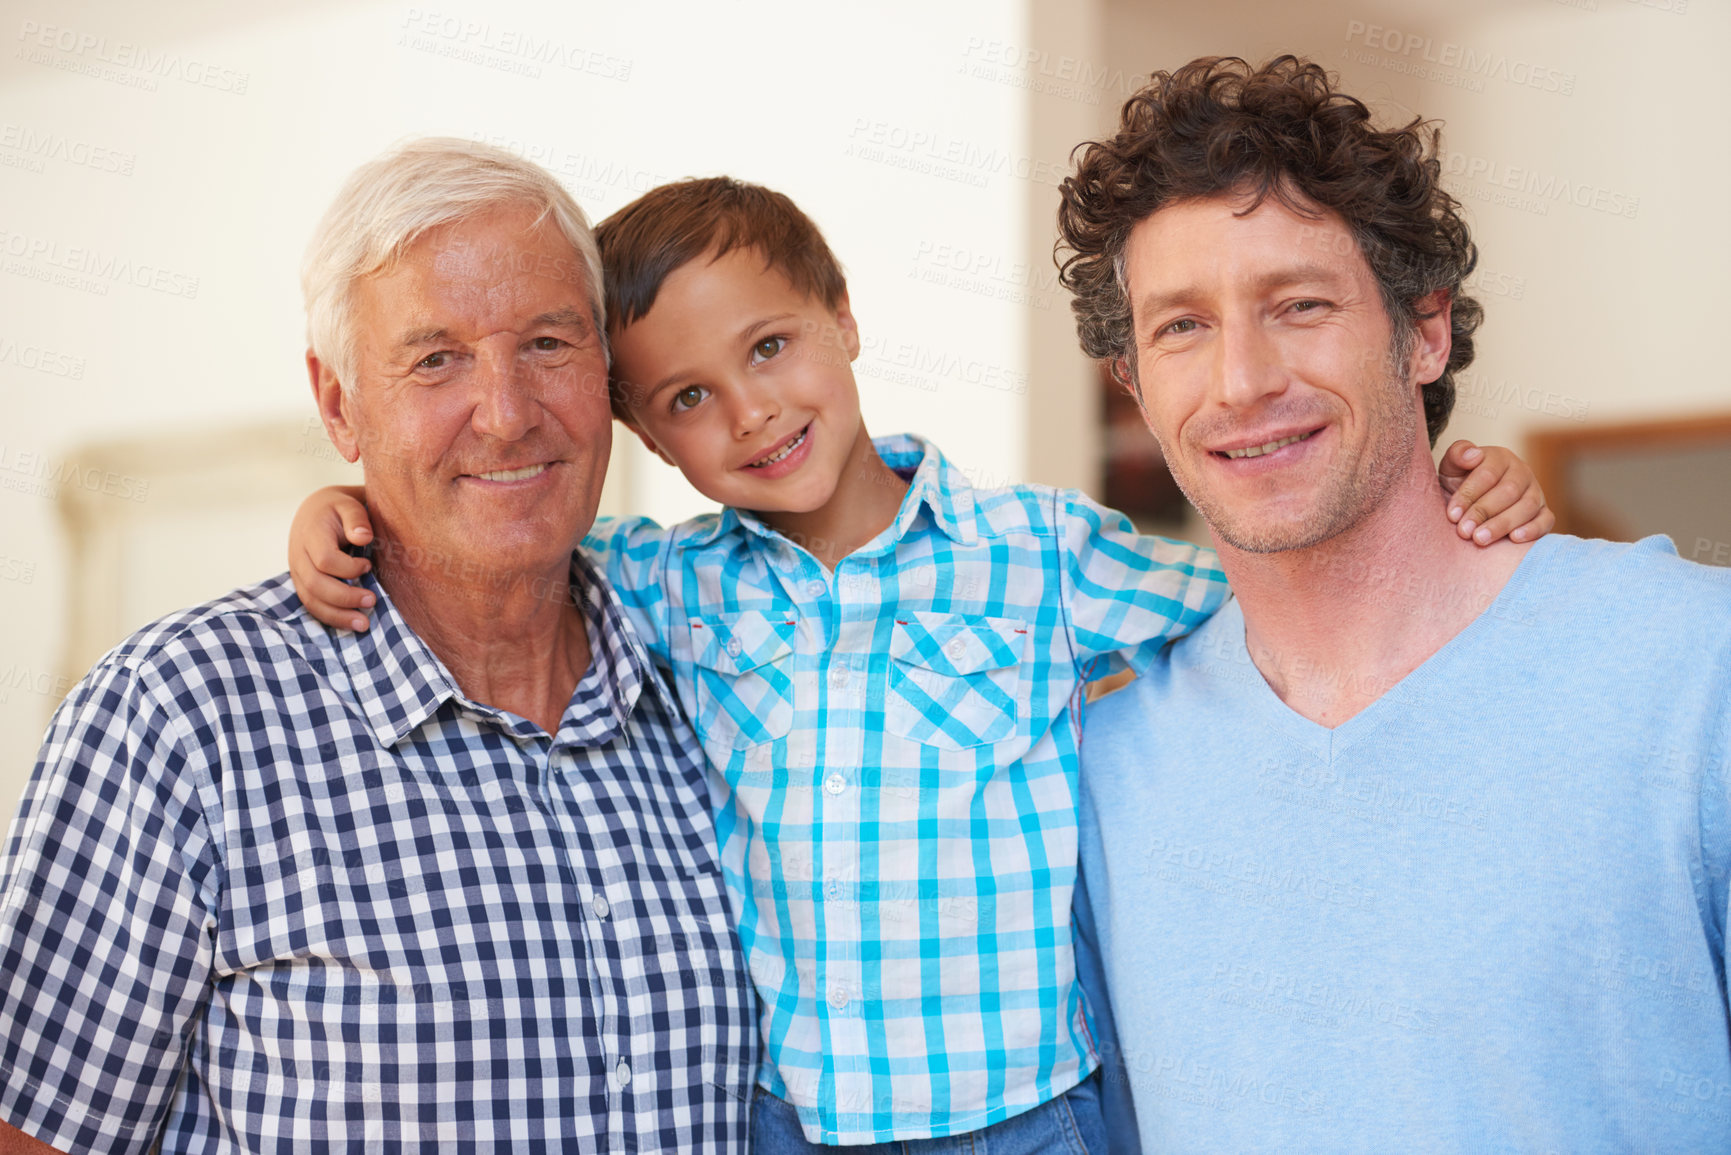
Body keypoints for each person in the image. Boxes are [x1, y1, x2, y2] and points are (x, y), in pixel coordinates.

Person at [287, 176, 1551, 1150]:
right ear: (644, 438)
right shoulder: (664, 586)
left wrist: (1445, 493)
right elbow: (485, 542)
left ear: (841, 318)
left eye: (771, 348)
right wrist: (341, 512)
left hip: (1032, 1113)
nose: (752, 413)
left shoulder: (1040, 554)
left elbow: (1291, 581)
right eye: (686, 400)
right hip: (794, 1122)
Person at [0, 139, 755, 1155]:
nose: (506, 413)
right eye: (436, 357)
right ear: (338, 403)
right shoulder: (174, 718)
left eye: (548, 343)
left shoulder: (717, 680)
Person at [1061, 55, 1731, 1152]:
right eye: (1181, 327)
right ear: (1133, 381)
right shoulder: (1101, 755)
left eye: (1301, 305)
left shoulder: (1698, 673)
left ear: (1425, 331)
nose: (1241, 382)